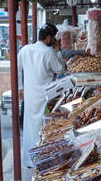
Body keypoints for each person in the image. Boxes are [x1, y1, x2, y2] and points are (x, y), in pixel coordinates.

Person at [17, 23, 65, 159]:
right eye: (54, 37)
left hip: (30, 96)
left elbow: (17, 70)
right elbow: (60, 69)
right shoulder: (49, 52)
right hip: (45, 97)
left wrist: (21, 88)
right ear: (49, 38)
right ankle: (44, 158)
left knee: (30, 128)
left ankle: (30, 158)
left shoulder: (25, 50)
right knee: (45, 128)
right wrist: (58, 51)